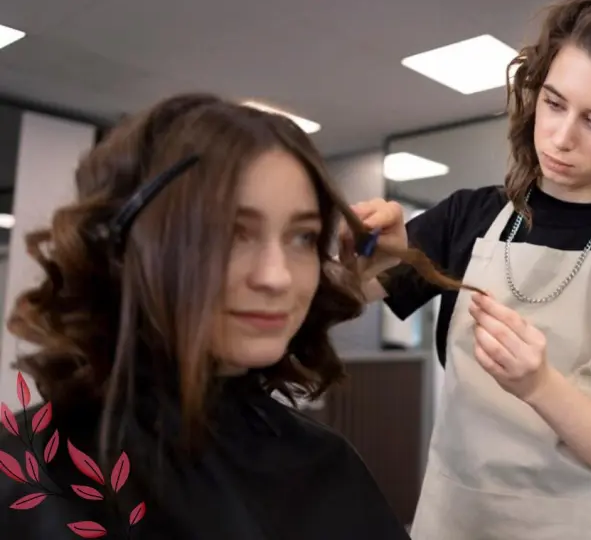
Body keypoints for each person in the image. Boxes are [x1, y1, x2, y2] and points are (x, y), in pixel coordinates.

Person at [351, 0, 591, 539]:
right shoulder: (466, 218)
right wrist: (361, 248)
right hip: (453, 520)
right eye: (553, 103)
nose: (562, 137)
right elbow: (337, 295)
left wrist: (540, 386)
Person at [0, 93, 465, 539]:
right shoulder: (25, 474)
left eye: (302, 237)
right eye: (231, 234)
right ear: (125, 246)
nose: (277, 277)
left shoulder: (326, 466)